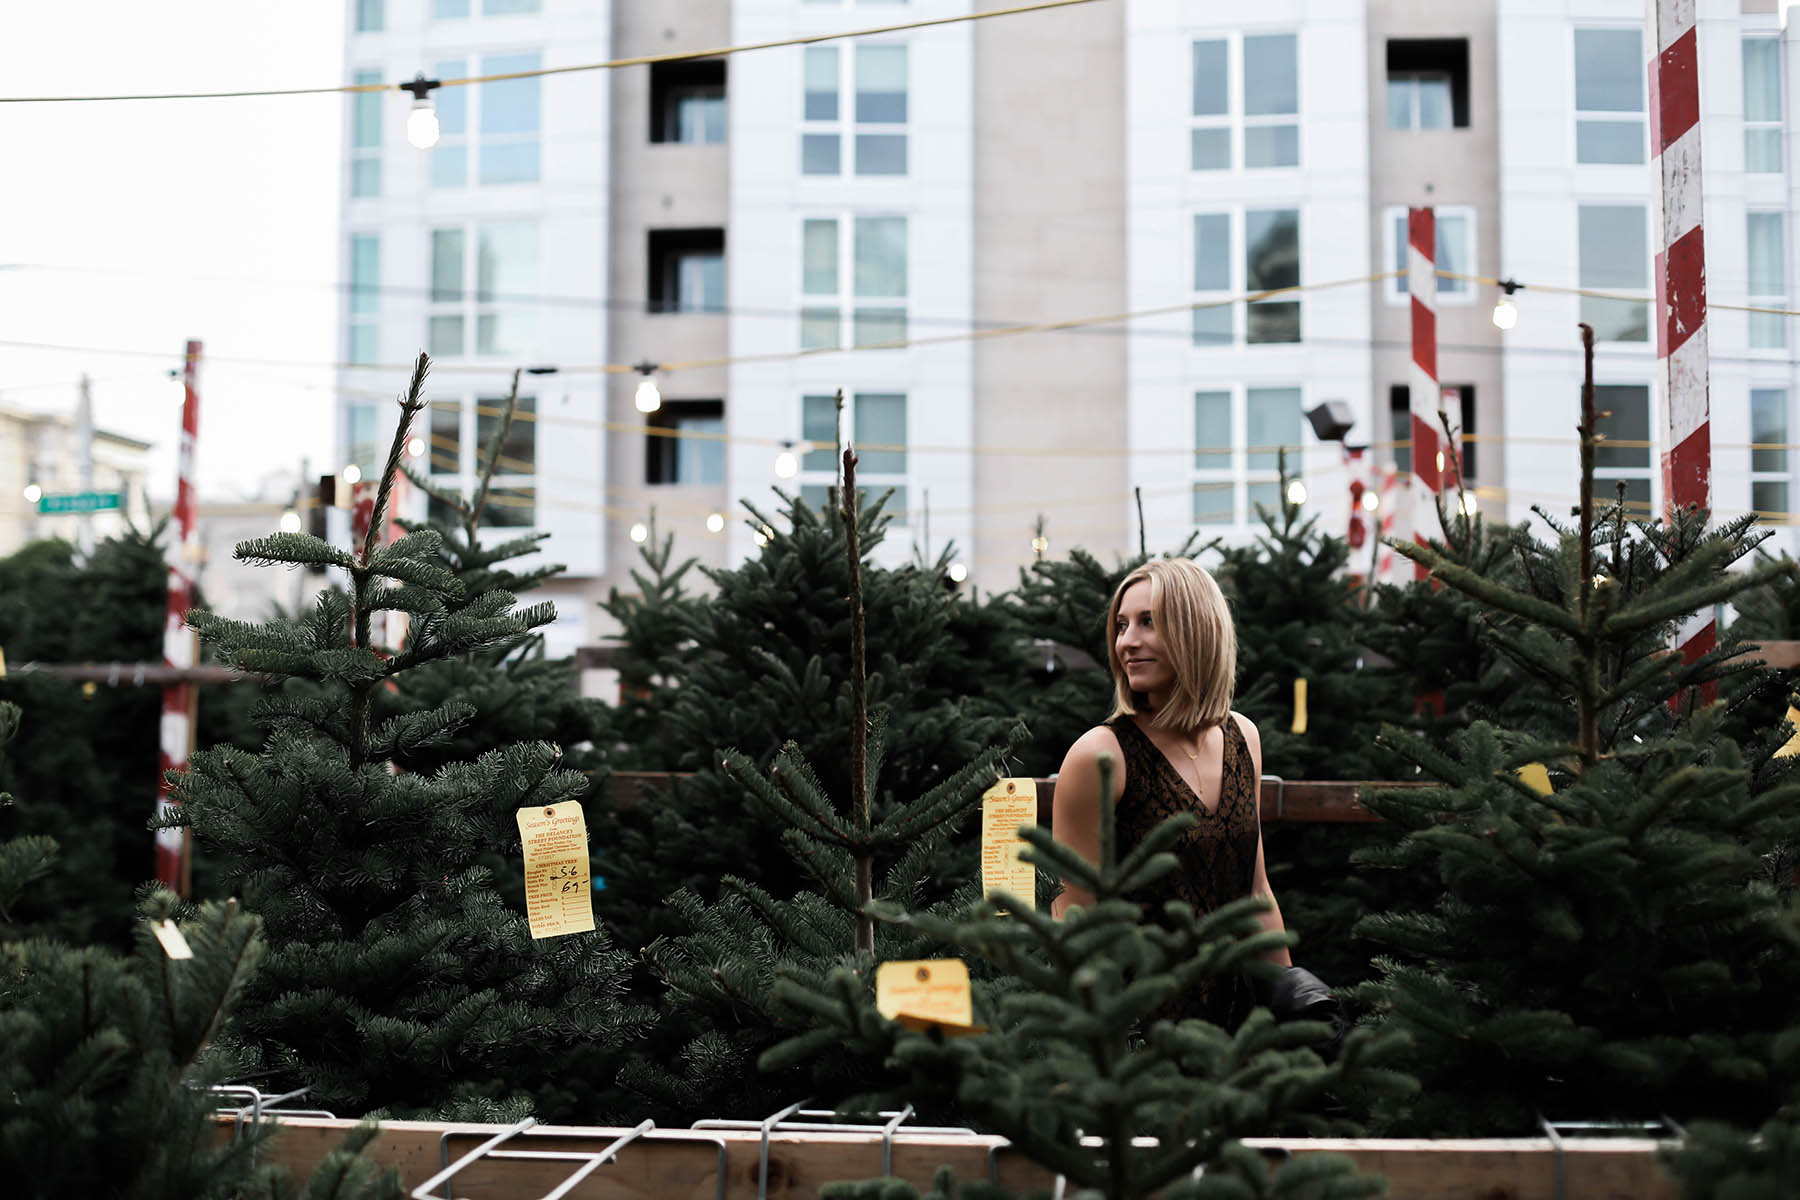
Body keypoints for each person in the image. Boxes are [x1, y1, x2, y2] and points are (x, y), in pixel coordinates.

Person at [1051, 556, 1290, 1031]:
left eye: (1149, 622)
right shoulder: (1102, 755)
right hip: (1144, 1033)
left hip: (1242, 1026)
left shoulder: (1244, 738)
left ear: (1197, 631)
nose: (1127, 642)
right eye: (1121, 625)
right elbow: (1074, 917)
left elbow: (1255, 890)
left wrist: (1292, 1001)